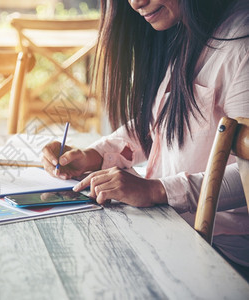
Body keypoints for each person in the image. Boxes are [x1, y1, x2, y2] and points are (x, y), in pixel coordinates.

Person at [41, 0, 249, 279]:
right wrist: (93, 156)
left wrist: (157, 190)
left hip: (221, 254)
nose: (136, 2)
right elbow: (159, 127)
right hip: (169, 227)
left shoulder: (240, 46)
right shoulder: (186, 30)